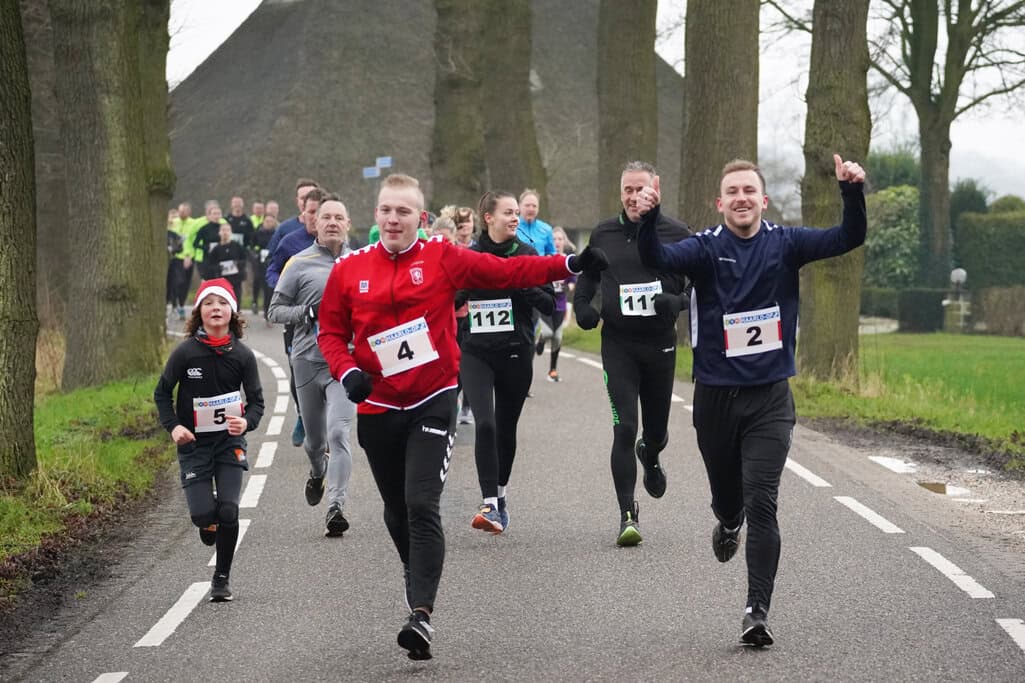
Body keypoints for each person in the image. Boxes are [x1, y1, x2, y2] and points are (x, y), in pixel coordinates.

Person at [317, 173, 607, 661]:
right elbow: (329, 331)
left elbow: (506, 272)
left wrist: (570, 263)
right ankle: (417, 573)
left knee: (421, 503)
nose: (393, 219)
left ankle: (421, 615)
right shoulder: (350, 269)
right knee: (395, 508)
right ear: (376, 214)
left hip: (433, 397)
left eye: (403, 212)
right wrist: (347, 373)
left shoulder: (441, 258)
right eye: (386, 210)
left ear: (421, 219)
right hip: (378, 405)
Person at [635, 154, 867, 647]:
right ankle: (727, 518)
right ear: (720, 204)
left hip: (769, 400)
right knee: (730, 497)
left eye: (750, 191)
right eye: (732, 192)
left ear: (764, 199)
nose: (742, 199)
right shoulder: (702, 249)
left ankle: (756, 610)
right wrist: (650, 217)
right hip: (716, 400)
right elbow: (656, 256)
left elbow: (848, 237)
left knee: (763, 500)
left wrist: (851, 192)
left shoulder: (786, 244)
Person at [573, 160, 691, 548]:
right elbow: (587, 278)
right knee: (624, 426)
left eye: (640, 189)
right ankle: (627, 513)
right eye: (627, 189)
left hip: (660, 345)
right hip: (618, 344)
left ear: (655, 189)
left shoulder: (675, 232)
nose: (633, 196)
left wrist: (675, 302)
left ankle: (651, 453)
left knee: (653, 431)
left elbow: (693, 285)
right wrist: (584, 309)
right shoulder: (604, 232)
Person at [154, 279, 264, 602]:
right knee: (204, 514)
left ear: (232, 312)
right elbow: (162, 393)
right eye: (208, 303)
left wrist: (246, 422)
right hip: (193, 445)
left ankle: (221, 577)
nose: (215, 308)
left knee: (229, 509)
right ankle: (208, 524)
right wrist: (174, 427)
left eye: (222, 303)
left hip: (229, 444)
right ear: (198, 313)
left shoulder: (243, 356)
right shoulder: (185, 353)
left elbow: (257, 402)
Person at [455, 191, 555, 534]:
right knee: (484, 424)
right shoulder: (471, 256)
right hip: (476, 352)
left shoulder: (527, 255)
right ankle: (489, 504)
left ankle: (500, 493)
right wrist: (459, 295)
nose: (515, 218)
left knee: (505, 427)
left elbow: (549, 301)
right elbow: (453, 297)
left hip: (516, 351)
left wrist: (522, 284)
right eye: (508, 212)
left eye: (517, 212)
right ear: (488, 218)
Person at [268, 195, 356, 536]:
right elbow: (275, 310)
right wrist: (306, 312)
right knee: (316, 442)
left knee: (339, 433)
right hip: (306, 359)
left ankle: (336, 506)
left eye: (339, 217)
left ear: (348, 224)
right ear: (315, 224)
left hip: (344, 363)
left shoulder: (360, 262)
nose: (333, 222)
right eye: (326, 218)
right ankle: (317, 471)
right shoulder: (299, 263)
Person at [266, 187, 324, 449]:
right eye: (311, 212)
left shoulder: (342, 246)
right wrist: (287, 288)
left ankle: (329, 425)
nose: (315, 217)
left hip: (331, 324)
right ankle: (304, 413)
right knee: (297, 369)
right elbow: (272, 270)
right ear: (303, 211)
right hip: (297, 321)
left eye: (320, 212)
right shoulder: (290, 240)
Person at [535, 226, 576, 382]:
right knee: (547, 333)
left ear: (564, 242)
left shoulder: (567, 260)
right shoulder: (545, 258)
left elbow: (572, 280)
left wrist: (569, 286)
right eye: (553, 239)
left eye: (560, 239)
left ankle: (552, 370)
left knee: (558, 337)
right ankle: (540, 340)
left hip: (560, 303)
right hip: (545, 302)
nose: (557, 242)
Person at [206, 223, 248, 304]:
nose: (225, 232)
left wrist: (236, 264)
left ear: (231, 232)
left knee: (236, 300)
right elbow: (210, 266)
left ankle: (236, 315)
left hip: (236, 279)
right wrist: (219, 267)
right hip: (222, 280)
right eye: (223, 230)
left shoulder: (237, 246)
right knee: (223, 301)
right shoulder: (216, 249)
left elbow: (244, 260)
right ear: (219, 233)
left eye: (227, 230)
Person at [251, 213, 278, 319]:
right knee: (258, 282)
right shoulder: (257, 233)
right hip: (259, 263)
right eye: (267, 221)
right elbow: (251, 247)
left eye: (271, 221)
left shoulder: (277, 234)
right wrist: (256, 254)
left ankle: (267, 313)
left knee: (269, 289)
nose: (269, 223)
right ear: (263, 222)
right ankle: (255, 301)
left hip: (272, 264)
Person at [517, 189, 556, 255]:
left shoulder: (546, 229)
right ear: (519, 206)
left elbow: (552, 253)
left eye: (534, 206)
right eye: (527, 205)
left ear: (538, 209)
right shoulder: (512, 227)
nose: (531, 209)